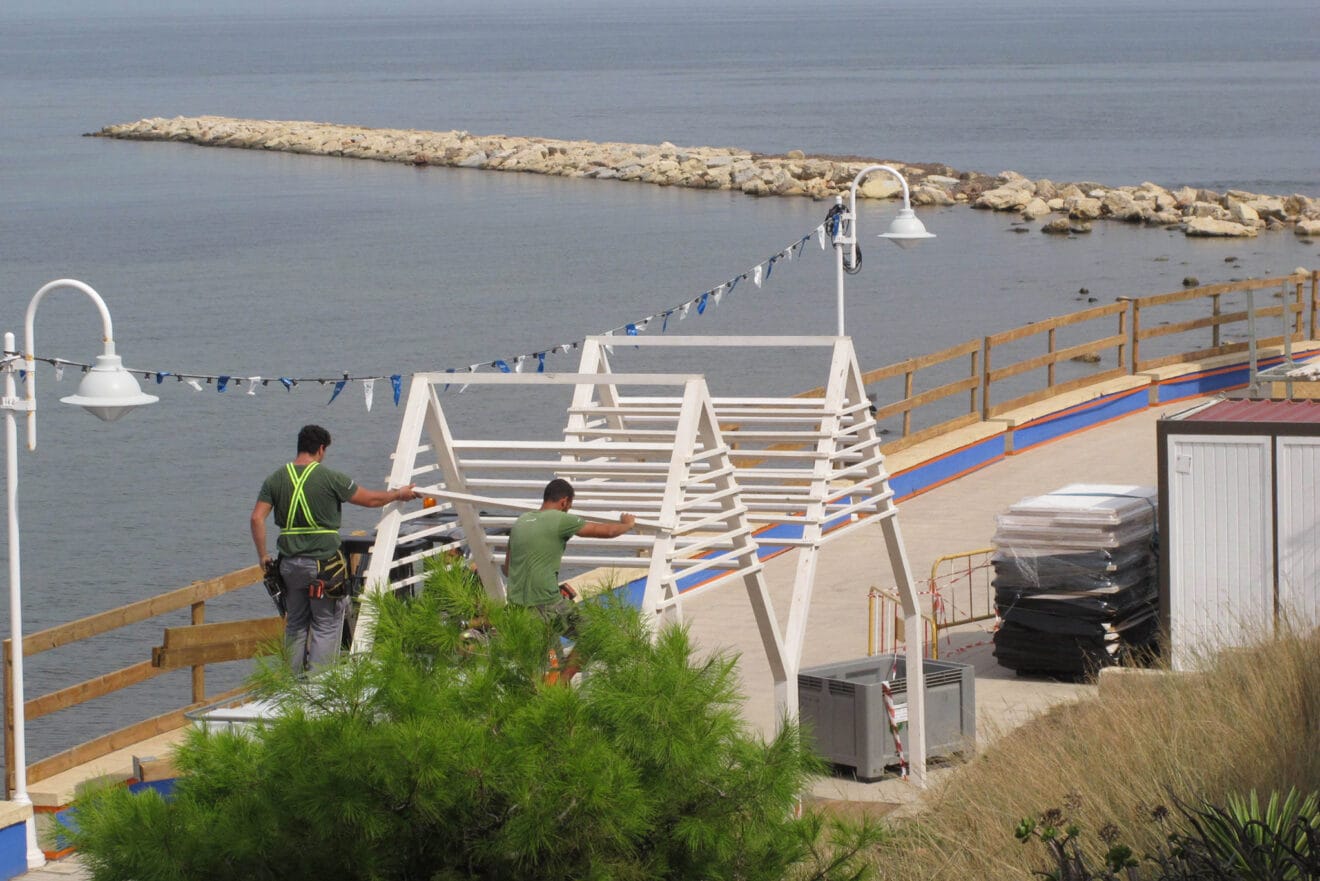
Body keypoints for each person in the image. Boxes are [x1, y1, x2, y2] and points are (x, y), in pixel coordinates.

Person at [250, 424, 416, 672]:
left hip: (289, 565)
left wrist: (263, 555)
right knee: (325, 623)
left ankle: (290, 684)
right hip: (323, 565)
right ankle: (319, 686)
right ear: (320, 449)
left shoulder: (275, 479)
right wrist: (397, 494)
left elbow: (256, 518)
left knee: (295, 623)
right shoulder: (329, 478)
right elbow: (370, 499)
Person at [503, 478, 635, 682]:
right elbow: (606, 531)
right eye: (569, 506)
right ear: (564, 502)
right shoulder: (560, 519)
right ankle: (563, 683)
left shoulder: (520, 522)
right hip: (546, 606)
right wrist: (627, 524)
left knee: (547, 665)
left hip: (517, 606)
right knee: (594, 633)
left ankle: (556, 685)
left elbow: (507, 569)